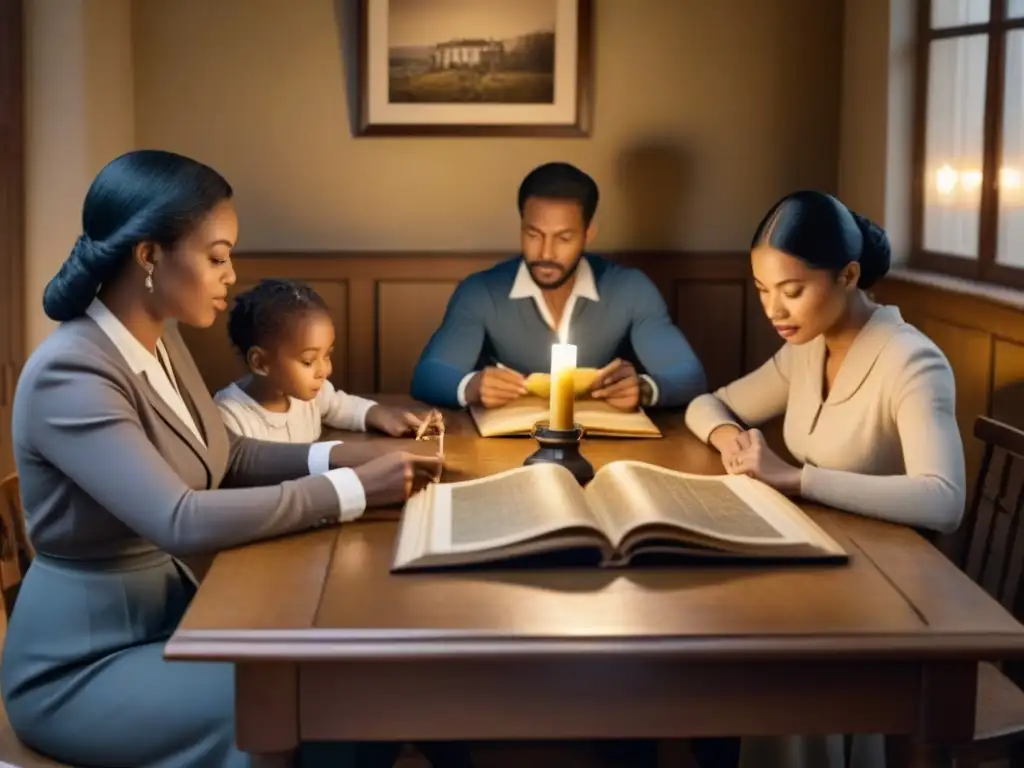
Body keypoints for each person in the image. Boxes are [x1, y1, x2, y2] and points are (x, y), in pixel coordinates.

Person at [1, 149, 441, 768]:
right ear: (149, 255)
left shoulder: (160, 338)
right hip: (85, 663)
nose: (231, 274)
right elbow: (177, 517)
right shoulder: (71, 371)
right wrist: (352, 491)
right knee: (323, 700)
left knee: (354, 690)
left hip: (174, 614)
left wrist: (343, 453)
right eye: (217, 257)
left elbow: (223, 453)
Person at [684, 189, 967, 768]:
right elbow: (707, 405)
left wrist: (798, 479)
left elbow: (945, 500)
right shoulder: (805, 350)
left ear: (849, 275)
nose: (774, 311)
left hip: (892, 591)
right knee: (703, 625)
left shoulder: (912, 360)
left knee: (784, 662)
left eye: (792, 291)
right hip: (820, 564)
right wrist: (730, 440)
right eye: (763, 291)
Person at [410, 162, 707, 412]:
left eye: (564, 238)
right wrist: (471, 385)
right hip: (505, 445)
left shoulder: (631, 288)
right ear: (521, 226)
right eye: (534, 234)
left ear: (588, 233)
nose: (546, 254)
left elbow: (689, 377)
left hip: (601, 445)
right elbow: (428, 375)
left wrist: (644, 389)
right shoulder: (481, 291)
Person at [215, 278, 428, 440]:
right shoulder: (230, 416)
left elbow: (340, 406)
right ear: (260, 363)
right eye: (308, 361)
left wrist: (380, 414)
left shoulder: (313, 394)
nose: (324, 370)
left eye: (326, 356)